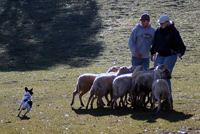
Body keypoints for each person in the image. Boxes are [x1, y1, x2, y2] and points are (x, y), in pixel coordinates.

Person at [150, 15, 186, 99]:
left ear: (167, 22)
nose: (161, 24)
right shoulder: (158, 31)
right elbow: (154, 43)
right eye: (160, 23)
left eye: (162, 23)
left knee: (165, 75)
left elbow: (179, 43)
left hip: (170, 56)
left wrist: (180, 52)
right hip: (160, 55)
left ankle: (168, 97)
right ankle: (157, 96)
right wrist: (152, 53)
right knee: (156, 74)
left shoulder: (173, 31)